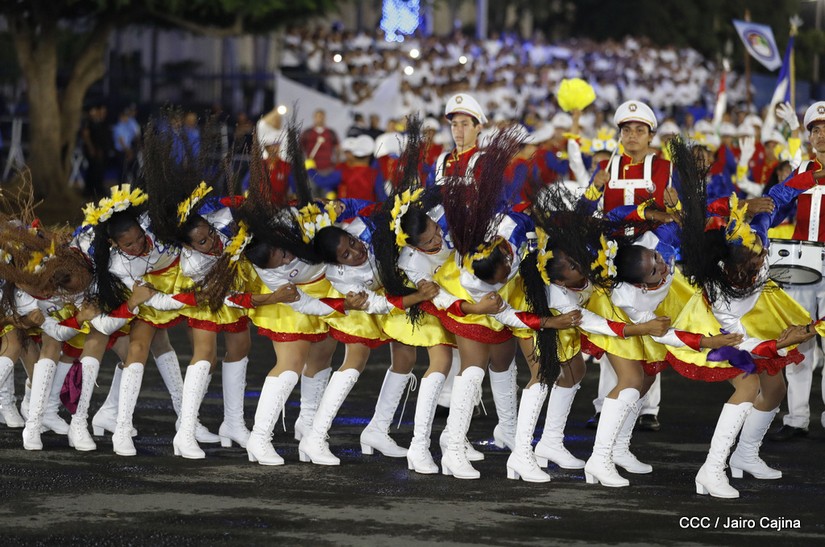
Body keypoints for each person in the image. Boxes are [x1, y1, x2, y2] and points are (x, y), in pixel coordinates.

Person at [581, 100, 679, 432]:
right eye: (626, 130)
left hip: (652, 260)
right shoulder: (605, 165)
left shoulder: (665, 167)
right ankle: (605, 404)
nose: (632, 135)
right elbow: (585, 211)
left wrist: (676, 203)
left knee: (652, 327)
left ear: (651, 135)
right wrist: (595, 187)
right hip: (612, 260)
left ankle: (648, 408)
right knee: (614, 332)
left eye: (640, 130)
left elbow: (679, 216)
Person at [767, 101, 825, 441]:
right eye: (815, 130)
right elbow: (777, 209)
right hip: (800, 267)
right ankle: (796, 418)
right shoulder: (801, 169)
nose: (821, 135)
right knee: (798, 344)